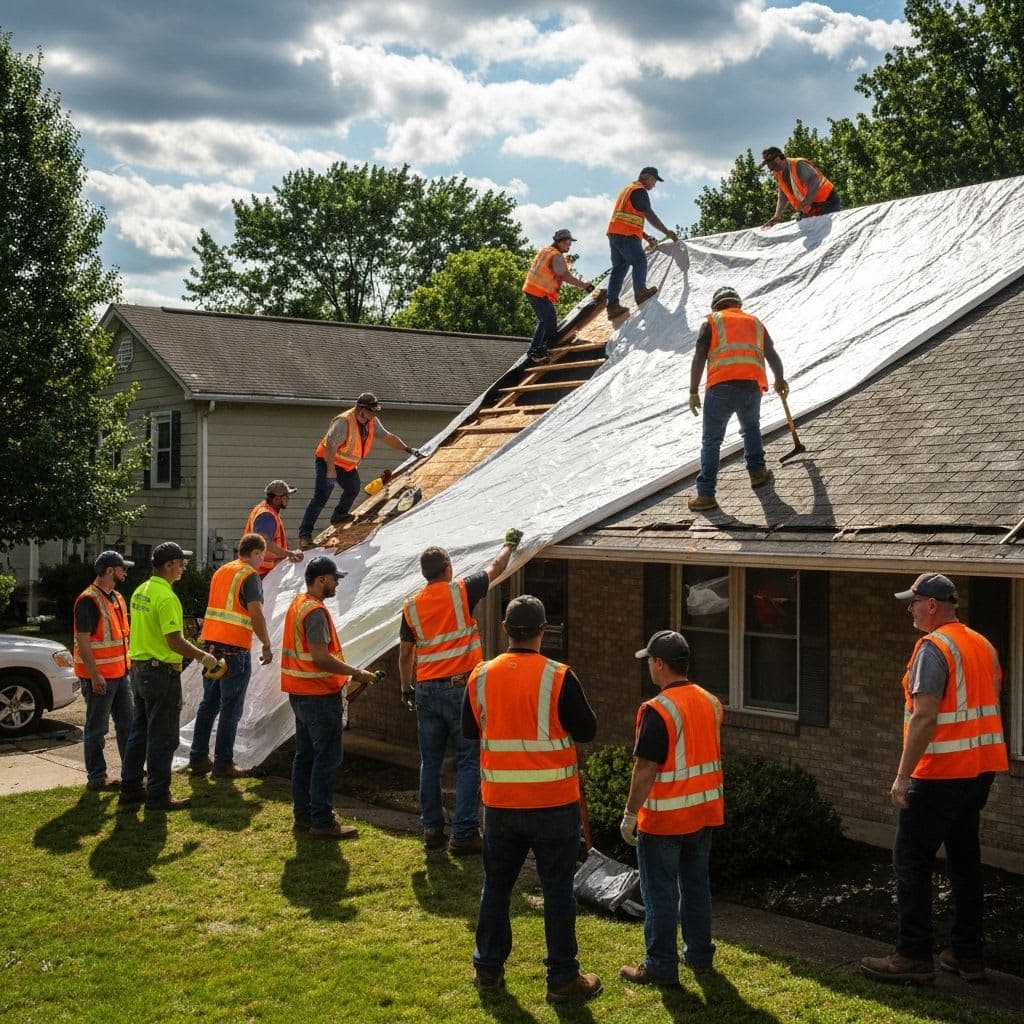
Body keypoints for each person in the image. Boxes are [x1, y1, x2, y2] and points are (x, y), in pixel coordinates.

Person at [860, 573, 1008, 986]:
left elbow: (925, 715)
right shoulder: (983, 645)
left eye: (913, 602)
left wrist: (902, 776)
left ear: (931, 605)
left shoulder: (933, 648)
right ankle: (968, 956)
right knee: (965, 860)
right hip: (979, 771)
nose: (909, 608)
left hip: (940, 773)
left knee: (910, 860)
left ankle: (913, 956)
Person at [464, 595, 600, 1004]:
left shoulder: (481, 676)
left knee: (497, 888)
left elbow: (472, 732)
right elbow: (587, 730)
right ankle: (562, 980)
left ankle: (488, 971)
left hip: (501, 804)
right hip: (552, 804)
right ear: (544, 630)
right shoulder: (559, 677)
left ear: (505, 629)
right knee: (557, 890)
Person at [399, 531, 520, 853]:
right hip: (460, 690)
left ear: (426, 573)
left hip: (425, 691)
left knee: (430, 762)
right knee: (468, 762)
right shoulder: (461, 592)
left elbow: (406, 652)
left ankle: (432, 830)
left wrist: (405, 688)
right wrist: (510, 542)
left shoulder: (411, 606)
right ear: (448, 569)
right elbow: (496, 568)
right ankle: (465, 834)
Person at [619, 630, 724, 986]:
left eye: (649, 660)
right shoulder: (711, 702)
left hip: (664, 820)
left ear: (659, 664)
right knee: (696, 886)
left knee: (660, 893)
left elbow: (645, 768)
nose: (648, 666)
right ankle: (699, 954)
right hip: (703, 814)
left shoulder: (657, 710)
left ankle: (661, 965)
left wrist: (630, 814)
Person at [281, 554, 376, 839]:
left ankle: (304, 815)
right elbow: (321, 658)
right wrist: (356, 673)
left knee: (305, 757)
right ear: (321, 580)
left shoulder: (299, 605)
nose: (337, 584)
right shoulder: (316, 612)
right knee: (326, 759)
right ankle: (322, 821)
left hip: (299, 694)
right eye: (335, 579)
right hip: (319, 696)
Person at [120, 543, 219, 812]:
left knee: (139, 732)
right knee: (162, 737)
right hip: (160, 672)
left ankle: (130, 788)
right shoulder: (167, 597)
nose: (183, 568)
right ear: (168, 565)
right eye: (180, 562)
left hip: (139, 669)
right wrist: (202, 656)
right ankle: (157, 797)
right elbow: (174, 640)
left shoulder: (141, 590)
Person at [687, 286, 789, 513]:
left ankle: (706, 495)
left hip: (720, 388)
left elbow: (699, 357)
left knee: (712, 441)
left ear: (716, 305)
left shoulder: (712, 322)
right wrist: (780, 380)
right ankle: (757, 473)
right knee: (751, 428)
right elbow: (771, 353)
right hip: (750, 386)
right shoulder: (755, 323)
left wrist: (693, 390)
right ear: (738, 304)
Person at [188, 533, 274, 779]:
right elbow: (255, 613)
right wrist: (266, 644)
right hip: (235, 650)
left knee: (209, 704)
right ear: (256, 553)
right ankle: (223, 764)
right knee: (231, 708)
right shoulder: (249, 576)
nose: (262, 561)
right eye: (262, 556)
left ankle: (198, 758)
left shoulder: (222, 571)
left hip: (212, 649)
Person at [298, 392, 422, 548]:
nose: (373, 414)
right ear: (360, 409)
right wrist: (330, 470)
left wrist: (408, 449)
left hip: (345, 465)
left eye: (374, 411)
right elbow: (330, 445)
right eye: (370, 410)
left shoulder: (372, 422)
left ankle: (338, 515)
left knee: (353, 488)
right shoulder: (344, 422)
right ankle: (305, 536)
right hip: (327, 460)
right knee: (321, 496)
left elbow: (387, 437)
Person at [73, 550, 135, 791]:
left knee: (127, 726)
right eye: (122, 568)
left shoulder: (117, 597)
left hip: (120, 674)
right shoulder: (88, 600)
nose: (125, 572)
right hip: (99, 677)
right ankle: (97, 777)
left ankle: (131, 773)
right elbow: (83, 640)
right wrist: (94, 674)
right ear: (110, 571)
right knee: (97, 728)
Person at [605, 166, 678, 320]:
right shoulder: (639, 190)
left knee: (619, 269)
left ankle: (612, 306)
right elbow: (648, 214)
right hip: (626, 235)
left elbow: (629, 218)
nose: (654, 184)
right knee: (639, 261)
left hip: (615, 234)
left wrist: (645, 237)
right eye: (654, 180)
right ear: (645, 176)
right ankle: (640, 292)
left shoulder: (627, 189)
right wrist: (666, 232)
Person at [522, 229, 595, 364]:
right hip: (539, 291)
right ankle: (535, 350)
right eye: (568, 242)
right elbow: (565, 276)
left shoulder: (546, 251)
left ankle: (545, 346)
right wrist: (585, 286)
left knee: (550, 319)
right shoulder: (556, 256)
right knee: (546, 319)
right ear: (560, 242)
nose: (570, 245)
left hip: (532, 288)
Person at [760, 146, 841, 228]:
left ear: (778, 159)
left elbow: (813, 179)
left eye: (773, 166)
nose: (772, 169)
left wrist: (807, 201)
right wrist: (777, 215)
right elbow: (783, 195)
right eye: (771, 168)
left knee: (824, 229)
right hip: (811, 206)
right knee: (806, 229)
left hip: (827, 201)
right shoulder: (778, 172)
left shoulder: (798, 165)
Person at [244, 480, 303, 578]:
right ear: (276, 499)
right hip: (260, 572)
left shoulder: (269, 512)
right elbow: (265, 543)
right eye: (286, 497)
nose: (288, 499)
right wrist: (290, 554)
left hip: (263, 571)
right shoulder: (266, 515)